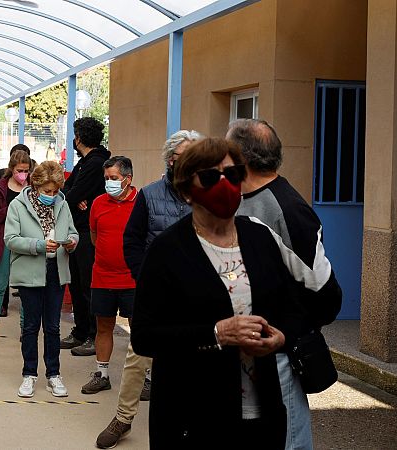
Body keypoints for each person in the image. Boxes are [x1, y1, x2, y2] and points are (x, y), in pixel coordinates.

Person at [131, 137, 305, 448]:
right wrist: (215, 333)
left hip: (261, 414)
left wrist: (282, 337)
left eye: (233, 175)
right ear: (186, 190)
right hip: (194, 417)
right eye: (210, 177)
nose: (225, 185)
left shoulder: (259, 238)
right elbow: (144, 336)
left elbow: (293, 308)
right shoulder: (167, 250)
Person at [228, 118, 342, 450]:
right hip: (245, 348)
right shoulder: (237, 200)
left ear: (240, 157)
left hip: (277, 354)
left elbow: (325, 293)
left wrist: (286, 332)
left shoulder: (286, 209)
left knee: (287, 439)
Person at [96, 130, 201, 448]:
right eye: (188, 156)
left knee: (196, 360)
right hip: (155, 293)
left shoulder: (208, 193)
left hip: (197, 296)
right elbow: (132, 241)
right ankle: (123, 419)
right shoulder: (150, 194)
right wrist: (146, 278)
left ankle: (193, 423)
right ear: (172, 160)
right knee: (137, 355)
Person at [5, 161, 79, 398]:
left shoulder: (63, 205)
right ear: (36, 186)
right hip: (30, 272)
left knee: (53, 327)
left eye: (56, 191)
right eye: (47, 191)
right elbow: (11, 239)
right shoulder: (17, 206)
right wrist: (37, 245)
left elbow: (73, 231)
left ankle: (53, 374)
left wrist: (72, 241)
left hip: (56, 271)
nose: (52, 195)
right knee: (30, 326)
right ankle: (29, 374)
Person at [81, 156, 138, 395]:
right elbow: (95, 237)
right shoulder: (98, 203)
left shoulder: (141, 202)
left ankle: (143, 377)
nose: (109, 183)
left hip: (132, 279)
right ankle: (102, 374)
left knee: (140, 329)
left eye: (113, 179)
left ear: (128, 179)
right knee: (103, 326)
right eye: (106, 179)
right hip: (102, 277)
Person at [61, 117, 111, 356]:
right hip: (76, 229)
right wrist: (73, 195)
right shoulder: (85, 163)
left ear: (78, 138)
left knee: (88, 286)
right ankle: (80, 331)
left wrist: (74, 196)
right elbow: (66, 190)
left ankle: (92, 333)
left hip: (88, 233)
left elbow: (70, 195)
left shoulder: (95, 163)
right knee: (77, 282)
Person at [0, 148, 32, 344]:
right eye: (20, 170)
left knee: (26, 287)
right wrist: (13, 208)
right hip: (4, 241)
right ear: (11, 169)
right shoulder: (1, 186)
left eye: (27, 170)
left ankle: (25, 329)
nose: (23, 174)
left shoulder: (33, 187)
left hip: (27, 243)